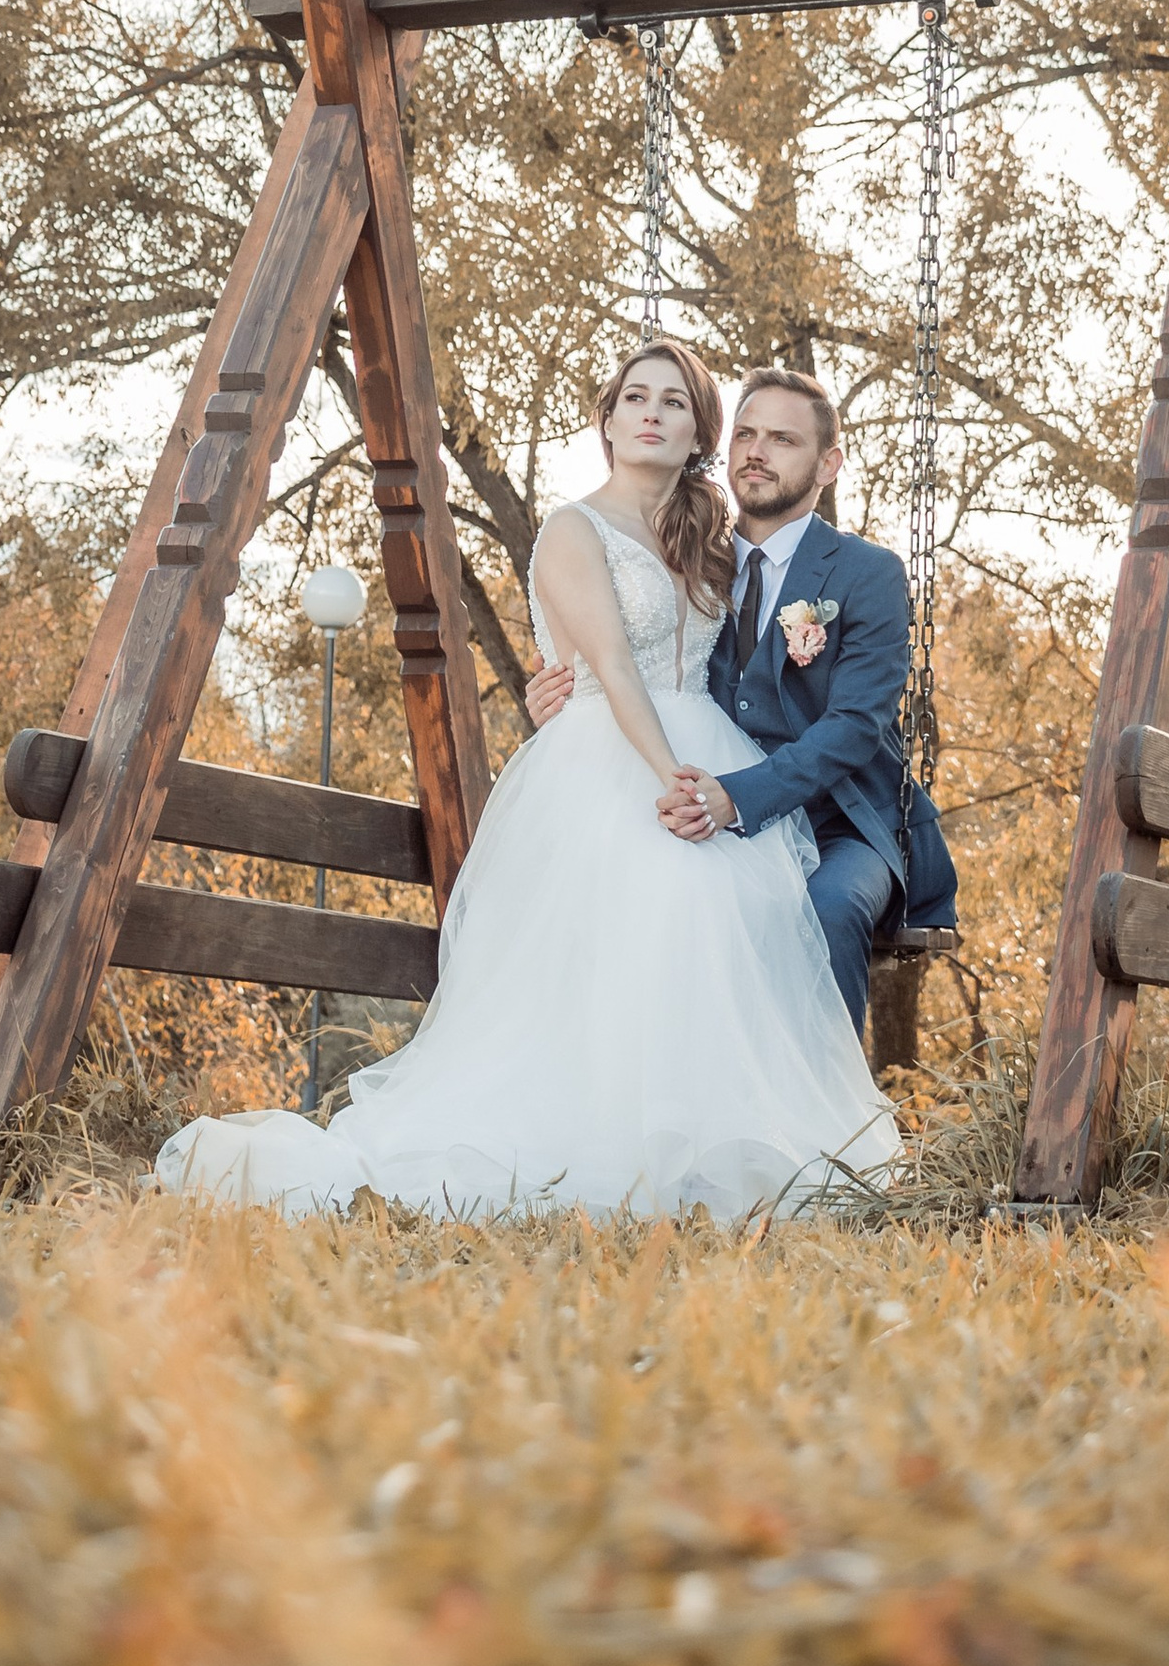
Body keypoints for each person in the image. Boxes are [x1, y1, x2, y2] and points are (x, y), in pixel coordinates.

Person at [153, 340, 895, 1221]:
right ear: (608, 418)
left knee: (718, 937)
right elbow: (613, 666)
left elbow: (739, 671)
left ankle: (718, 1145)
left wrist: (700, 778)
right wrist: (664, 770)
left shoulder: (708, 538)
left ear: (699, 430)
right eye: (635, 398)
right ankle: (612, 1146)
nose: (652, 414)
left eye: (674, 402)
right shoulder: (575, 529)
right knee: (645, 922)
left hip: (723, 765)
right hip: (635, 764)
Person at [527, 366, 958, 1039]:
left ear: (828, 464)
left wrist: (738, 797)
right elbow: (641, 661)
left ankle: (827, 1100)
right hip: (711, 809)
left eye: (783, 439)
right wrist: (566, 696)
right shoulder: (692, 555)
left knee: (826, 908)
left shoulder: (866, 573)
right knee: (659, 903)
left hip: (840, 823)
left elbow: (855, 726)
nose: (757, 452)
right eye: (747, 435)